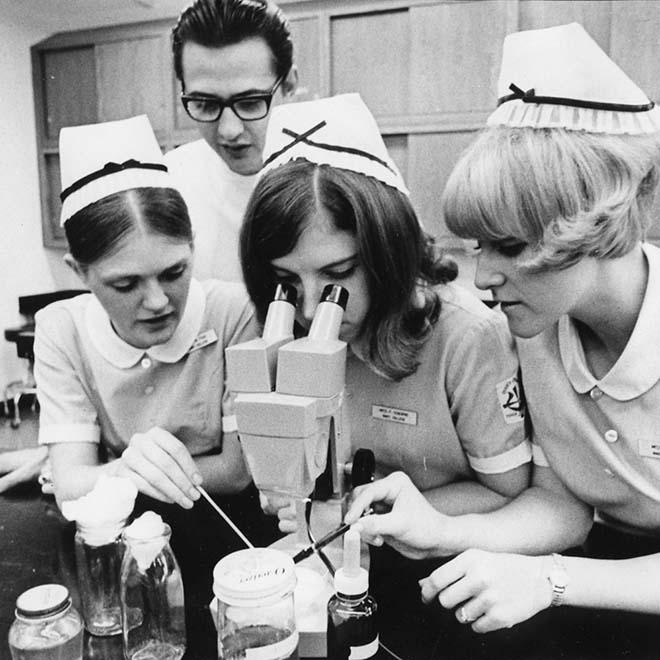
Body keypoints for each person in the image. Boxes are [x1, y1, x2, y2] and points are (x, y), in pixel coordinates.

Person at [345, 22, 660, 633]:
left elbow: (562, 565)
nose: (482, 278)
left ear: (595, 223)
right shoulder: (532, 331)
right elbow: (562, 507)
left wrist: (552, 579)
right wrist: (442, 530)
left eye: (509, 247)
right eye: (478, 246)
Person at [240, 93, 532, 527]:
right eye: (287, 282)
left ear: (386, 251)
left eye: (337, 274)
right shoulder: (283, 331)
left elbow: (505, 491)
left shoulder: (468, 338)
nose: (309, 308)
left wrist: (367, 510)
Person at [34, 114, 258, 510]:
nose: (157, 302)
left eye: (174, 272)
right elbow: (68, 484)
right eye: (126, 284)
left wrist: (108, 472)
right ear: (79, 272)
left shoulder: (234, 314)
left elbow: (237, 471)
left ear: (192, 247)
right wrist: (99, 474)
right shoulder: (61, 329)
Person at [166, 0, 298, 281]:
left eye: (250, 102)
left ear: (289, 85)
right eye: (204, 103)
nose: (228, 130)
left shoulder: (345, 177)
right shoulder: (168, 183)